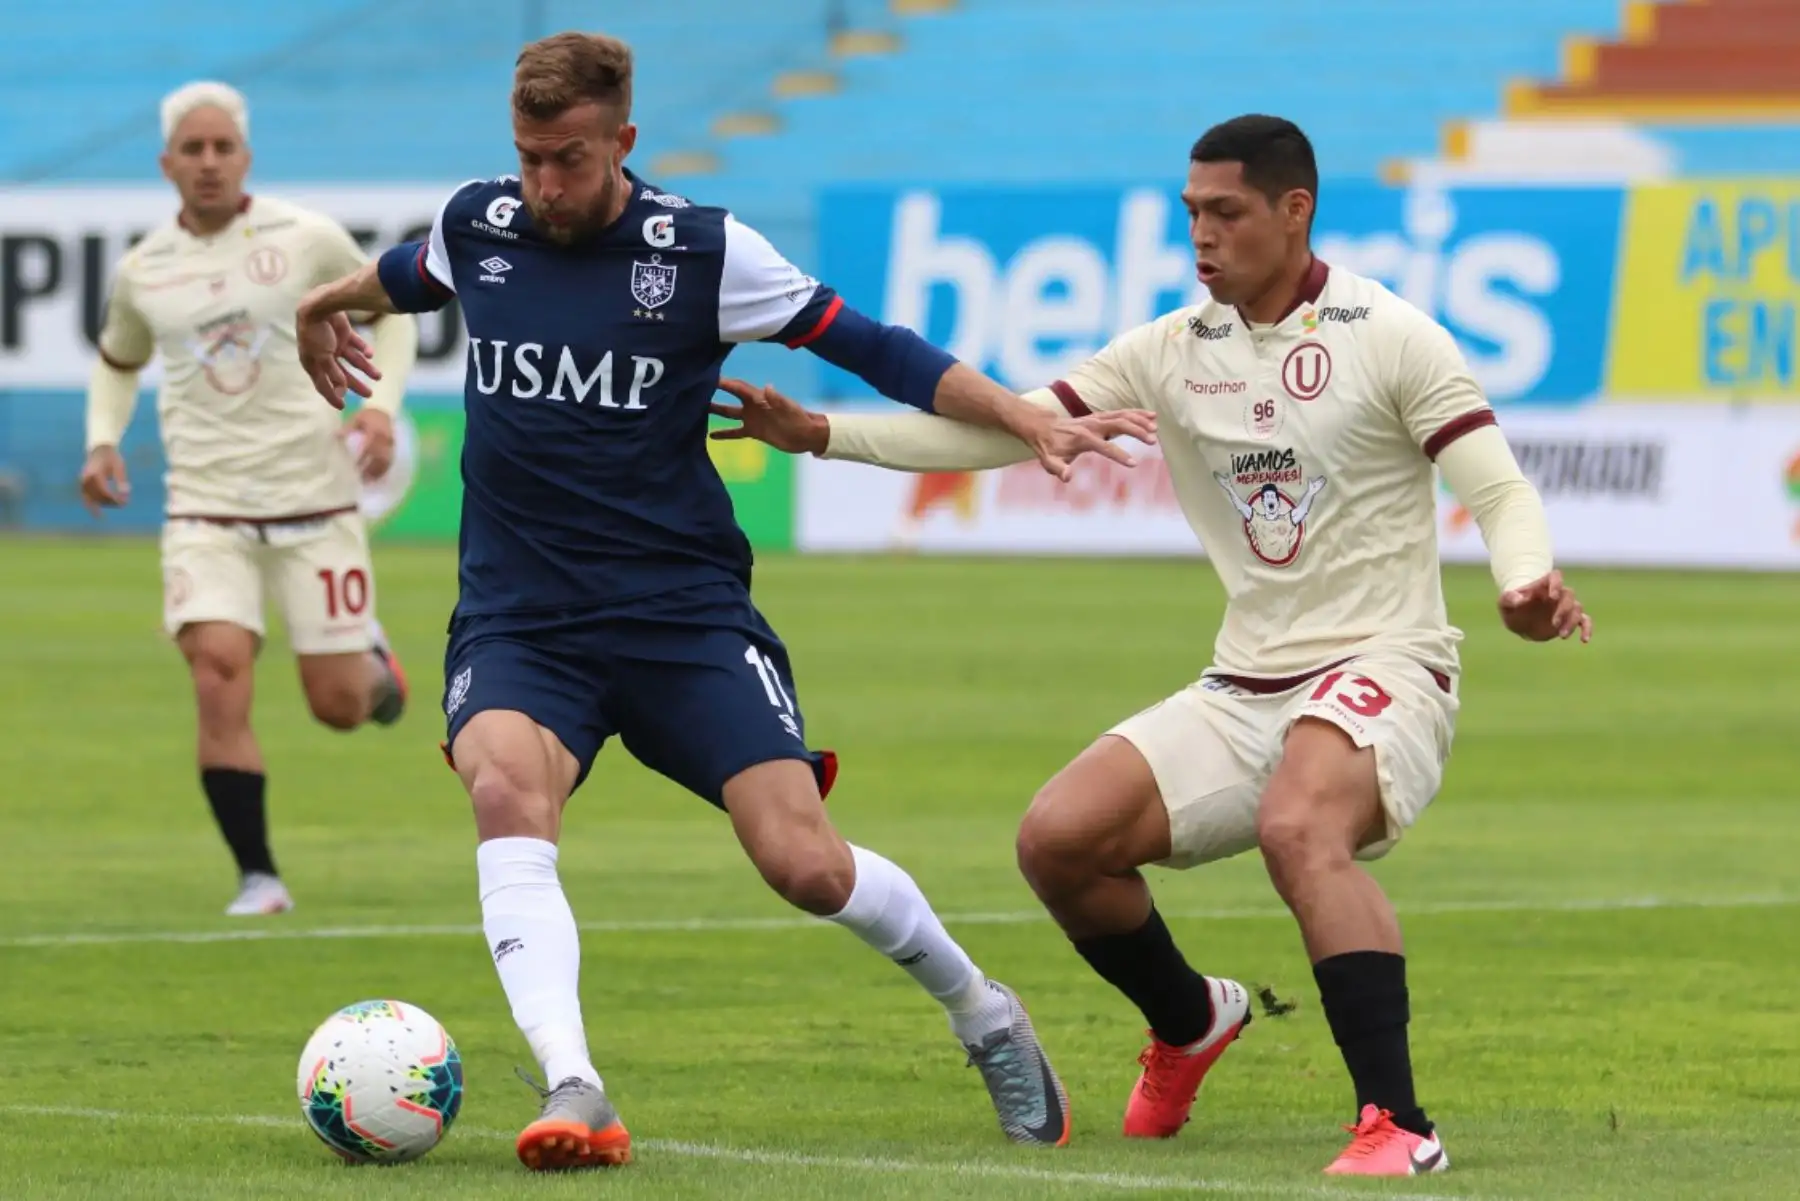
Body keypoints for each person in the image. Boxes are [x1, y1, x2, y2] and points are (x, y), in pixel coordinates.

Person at [290, 32, 1151, 1171]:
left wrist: (1024, 413)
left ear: (625, 142)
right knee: (503, 786)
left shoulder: (700, 253)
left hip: (682, 617)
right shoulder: (481, 224)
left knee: (806, 865)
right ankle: (575, 1084)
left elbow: (875, 347)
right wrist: (323, 301)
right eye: (529, 158)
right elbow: (405, 274)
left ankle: (981, 1006)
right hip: (522, 621)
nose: (545, 185)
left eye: (571, 160)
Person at [712, 114, 1594, 1178]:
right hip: (1245, 683)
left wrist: (1522, 583)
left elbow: (1497, 487)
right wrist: (826, 434)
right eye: (1191, 214)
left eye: (1225, 213)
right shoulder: (1174, 349)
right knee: (1059, 841)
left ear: (1293, 210)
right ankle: (1190, 1023)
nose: (1202, 236)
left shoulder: (1390, 332)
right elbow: (1010, 425)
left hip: (1386, 664)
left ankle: (1399, 1125)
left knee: (1298, 824)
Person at [79, 81, 416, 917]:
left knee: (337, 707)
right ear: (167, 164)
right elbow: (118, 362)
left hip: (316, 502)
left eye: (221, 147)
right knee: (217, 669)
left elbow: (395, 316)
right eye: (191, 150)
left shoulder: (304, 239)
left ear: (246, 157)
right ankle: (259, 877)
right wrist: (101, 440)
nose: (207, 162)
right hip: (205, 509)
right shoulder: (143, 269)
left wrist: (379, 410)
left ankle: (375, 669)